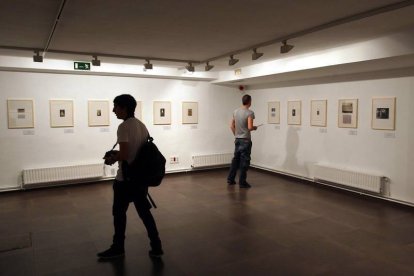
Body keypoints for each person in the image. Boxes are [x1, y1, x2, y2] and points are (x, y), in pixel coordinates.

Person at [97, 94, 163, 259]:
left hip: (125, 180)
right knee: (145, 214)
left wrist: (113, 157)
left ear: (124, 108)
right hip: (139, 178)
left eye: (116, 107)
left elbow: (126, 154)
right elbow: (136, 152)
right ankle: (156, 246)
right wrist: (119, 155)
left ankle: (118, 247)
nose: (113, 110)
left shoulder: (124, 127)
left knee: (119, 214)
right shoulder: (141, 125)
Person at [227, 94, 257, 188]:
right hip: (246, 140)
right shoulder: (250, 113)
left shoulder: (235, 111)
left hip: (238, 140)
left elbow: (231, 126)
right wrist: (254, 128)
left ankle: (230, 179)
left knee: (235, 160)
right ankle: (242, 182)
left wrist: (236, 135)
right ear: (249, 101)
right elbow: (249, 127)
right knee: (244, 162)